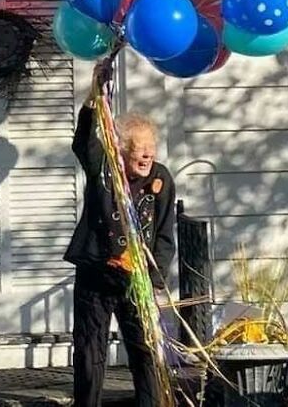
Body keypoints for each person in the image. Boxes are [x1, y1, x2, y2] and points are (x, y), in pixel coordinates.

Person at [64, 75, 176, 407]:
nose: (147, 158)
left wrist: (156, 280)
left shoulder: (162, 179)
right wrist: (94, 96)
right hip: (98, 271)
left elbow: (165, 233)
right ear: (122, 151)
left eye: (151, 152)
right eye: (139, 152)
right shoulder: (104, 169)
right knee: (90, 348)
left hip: (136, 277)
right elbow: (84, 141)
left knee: (145, 348)